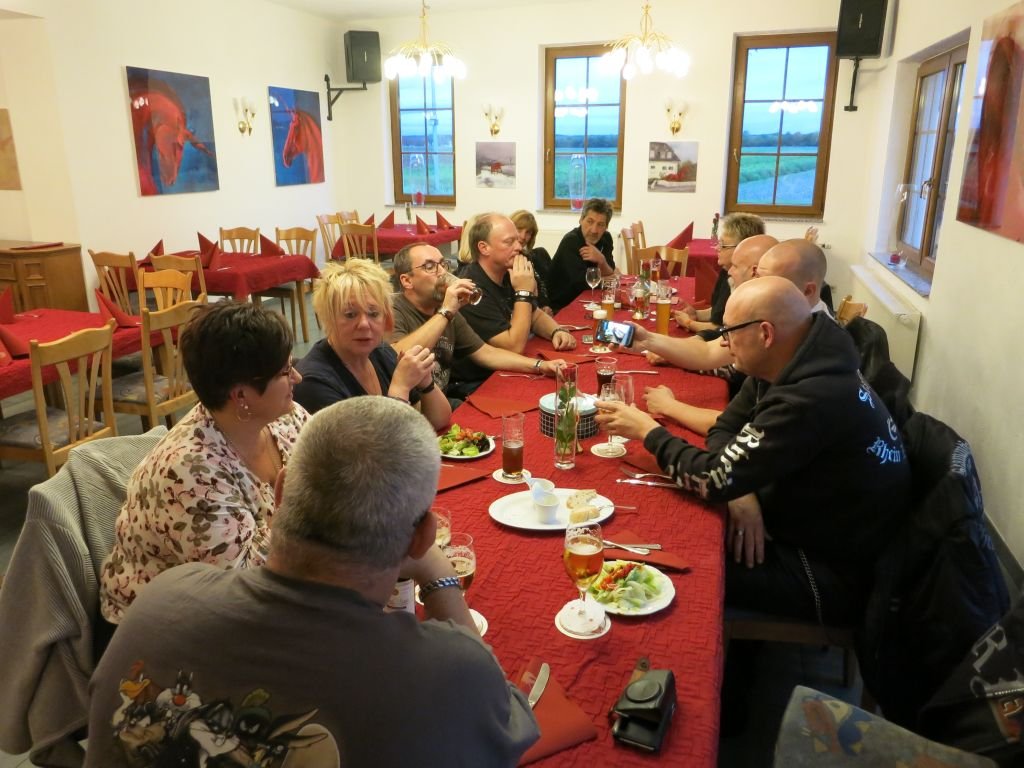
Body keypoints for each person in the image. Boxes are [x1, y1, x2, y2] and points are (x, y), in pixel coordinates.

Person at [86, 398, 540, 767]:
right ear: (421, 538)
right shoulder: (452, 673)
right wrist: (438, 577)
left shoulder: (162, 599)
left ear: (281, 492)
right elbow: (505, 726)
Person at [597, 277, 910, 626]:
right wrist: (739, 486)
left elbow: (711, 479)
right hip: (804, 527)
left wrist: (648, 432)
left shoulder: (810, 397)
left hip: (825, 573)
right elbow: (725, 429)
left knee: (669, 556)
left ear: (765, 333)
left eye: (729, 331)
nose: (723, 342)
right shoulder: (792, 357)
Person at [99, 301, 308, 624]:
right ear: (240, 396)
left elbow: (333, 473)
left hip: (256, 596)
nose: (297, 377)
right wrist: (299, 513)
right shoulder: (189, 473)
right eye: (284, 371)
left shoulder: (284, 418)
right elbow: (239, 591)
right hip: (163, 625)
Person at [391, 243, 564, 403]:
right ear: (407, 281)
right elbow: (397, 356)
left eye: (443, 264)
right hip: (407, 407)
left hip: (439, 403)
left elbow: (486, 353)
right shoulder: (392, 309)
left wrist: (540, 366)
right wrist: (446, 311)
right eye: (430, 267)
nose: (442, 272)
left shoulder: (445, 309)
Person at [293, 259, 452, 429]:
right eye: (350, 314)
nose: (364, 324)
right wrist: (400, 388)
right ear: (328, 319)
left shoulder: (381, 353)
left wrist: (426, 383)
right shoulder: (314, 383)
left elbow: (438, 421)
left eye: (373, 314)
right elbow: (375, 444)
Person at [453, 213, 576, 393]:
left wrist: (556, 330)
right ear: (484, 248)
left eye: (517, 240)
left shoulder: (506, 272)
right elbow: (514, 347)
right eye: (509, 242)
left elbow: (534, 315)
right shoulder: (472, 290)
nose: (519, 246)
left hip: (505, 369)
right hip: (478, 382)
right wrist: (524, 292)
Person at [675, 212, 765, 335]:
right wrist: (697, 314)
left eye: (723, 244)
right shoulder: (726, 270)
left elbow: (723, 329)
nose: (717, 248)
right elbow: (719, 312)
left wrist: (689, 323)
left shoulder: (749, 284)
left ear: (742, 248)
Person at [547, 198, 616, 311]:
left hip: (588, 300)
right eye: (590, 221)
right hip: (563, 305)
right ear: (581, 220)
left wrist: (601, 260)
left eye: (600, 224)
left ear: (606, 227)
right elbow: (582, 283)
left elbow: (610, 271)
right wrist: (608, 279)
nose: (594, 230)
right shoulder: (571, 241)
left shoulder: (606, 238)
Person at [510, 209, 553, 314]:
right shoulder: (506, 259)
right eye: (519, 229)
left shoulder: (526, 257)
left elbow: (539, 287)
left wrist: (545, 306)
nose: (523, 236)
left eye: (528, 232)